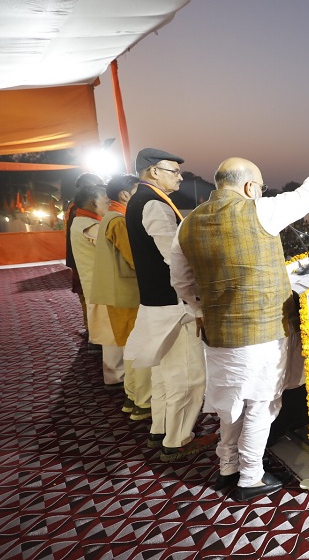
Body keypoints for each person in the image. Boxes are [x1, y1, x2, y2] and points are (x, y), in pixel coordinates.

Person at [170, 155, 309, 502]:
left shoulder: (185, 225)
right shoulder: (260, 210)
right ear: (250, 187)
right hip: (262, 336)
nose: (260, 192)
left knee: (230, 405)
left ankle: (227, 467)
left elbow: (181, 282)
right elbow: (306, 196)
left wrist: (205, 308)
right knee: (261, 405)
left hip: (217, 337)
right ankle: (250, 477)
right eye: (259, 187)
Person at [124, 148, 217, 462]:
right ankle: (178, 441)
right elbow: (176, 261)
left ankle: (161, 430)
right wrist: (198, 304)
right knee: (188, 376)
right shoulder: (153, 204)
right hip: (173, 305)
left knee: (164, 374)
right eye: (173, 171)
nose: (179, 176)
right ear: (153, 172)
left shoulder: (140, 200)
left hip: (155, 303)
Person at [91, 174, 153, 417]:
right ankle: (141, 401)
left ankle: (132, 397)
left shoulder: (111, 218)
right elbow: (137, 258)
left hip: (120, 294)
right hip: (127, 294)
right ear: (126, 195)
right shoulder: (120, 220)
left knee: (131, 348)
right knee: (138, 349)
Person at [69, 184, 125, 388]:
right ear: (93, 202)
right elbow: (116, 244)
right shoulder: (89, 225)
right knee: (112, 333)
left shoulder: (82, 221)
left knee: (110, 330)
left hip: (98, 284)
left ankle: (116, 374)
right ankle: (115, 377)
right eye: (106, 202)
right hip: (102, 286)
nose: (110, 206)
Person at [65, 172, 104, 338]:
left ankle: (92, 331)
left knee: (88, 297)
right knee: (88, 297)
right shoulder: (79, 210)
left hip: (79, 258)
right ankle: (92, 332)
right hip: (84, 259)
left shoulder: (74, 208)